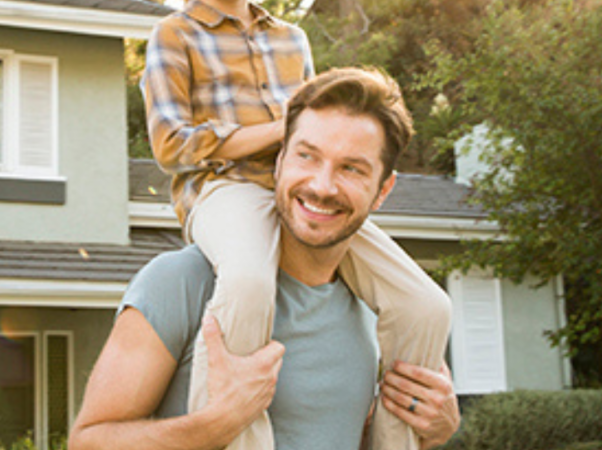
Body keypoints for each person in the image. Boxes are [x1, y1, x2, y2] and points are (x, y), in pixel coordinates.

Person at [68, 68, 460, 450]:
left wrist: (427, 430)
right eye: (307, 156)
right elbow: (88, 442)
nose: (322, 186)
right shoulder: (183, 282)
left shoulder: (379, 309)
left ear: (382, 190)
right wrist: (215, 425)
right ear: (279, 161)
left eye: (351, 168)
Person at [140, 0, 451, 448]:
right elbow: (171, 145)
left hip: (298, 190)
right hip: (223, 190)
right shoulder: (175, 34)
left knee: (428, 306)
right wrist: (281, 129)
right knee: (248, 282)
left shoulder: (291, 37)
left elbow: (318, 130)